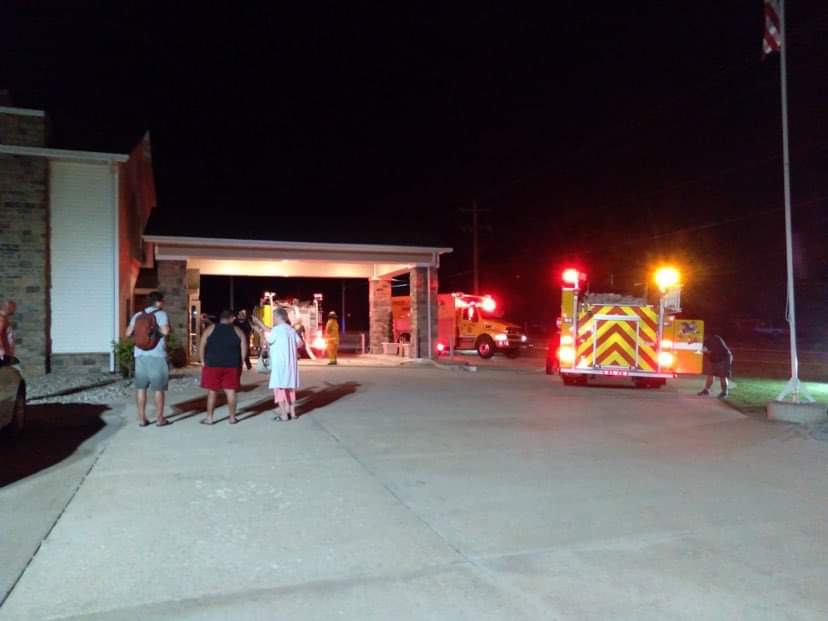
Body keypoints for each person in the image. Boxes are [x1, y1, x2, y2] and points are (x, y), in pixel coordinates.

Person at [126, 291, 171, 427]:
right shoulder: (161, 314)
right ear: (158, 302)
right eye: (162, 301)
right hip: (156, 355)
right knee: (158, 389)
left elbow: (127, 333)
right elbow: (165, 331)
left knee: (141, 388)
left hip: (140, 355)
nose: (163, 303)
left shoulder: (138, 315)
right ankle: (159, 419)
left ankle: (142, 419)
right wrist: (155, 330)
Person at [252, 307, 302, 421]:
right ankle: (293, 413)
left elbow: (269, 339)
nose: (273, 319)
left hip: (279, 365)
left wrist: (259, 327)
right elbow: (299, 343)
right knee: (290, 389)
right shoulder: (291, 330)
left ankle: (284, 415)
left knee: (279, 390)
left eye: (273, 316)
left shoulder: (276, 330)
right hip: (291, 365)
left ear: (278, 317)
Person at [199, 310, 248, 425]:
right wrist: (240, 362)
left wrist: (202, 360)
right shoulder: (238, 330)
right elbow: (244, 348)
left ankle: (209, 418)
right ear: (231, 318)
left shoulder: (210, 329)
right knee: (230, 391)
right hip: (232, 365)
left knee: (212, 391)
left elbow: (202, 345)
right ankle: (232, 418)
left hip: (212, 364)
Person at [698, 334, 733, 398]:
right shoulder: (707, 341)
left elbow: (713, 351)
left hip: (724, 359)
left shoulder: (714, 339)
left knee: (723, 376)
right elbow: (708, 352)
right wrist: (704, 352)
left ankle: (724, 392)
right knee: (710, 374)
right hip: (714, 359)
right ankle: (706, 390)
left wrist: (703, 352)